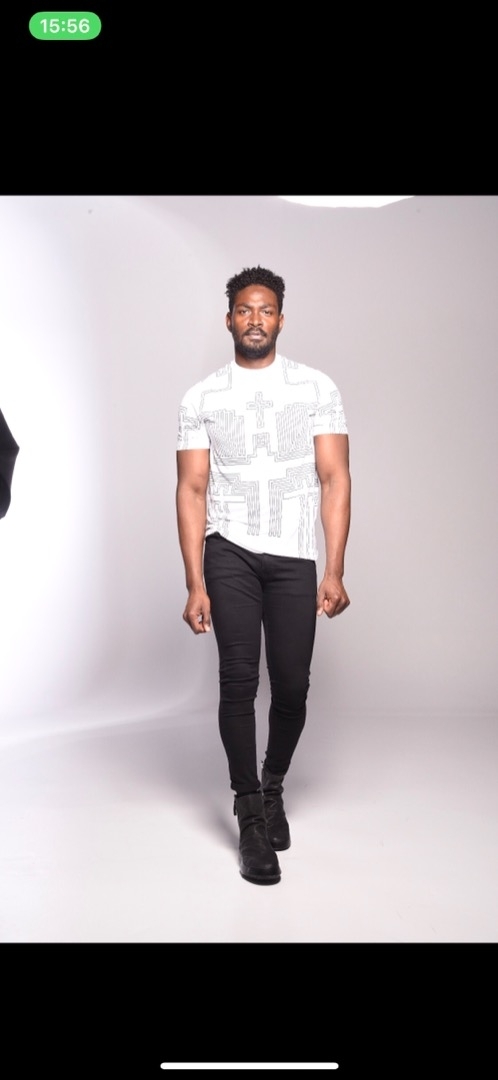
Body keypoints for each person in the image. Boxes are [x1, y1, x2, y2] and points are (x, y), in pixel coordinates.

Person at [176, 266, 351, 885]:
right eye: (245, 310)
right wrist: (195, 581)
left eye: (266, 310)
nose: (256, 320)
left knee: (293, 687)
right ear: (229, 319)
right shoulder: (201, 398)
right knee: (238, 680)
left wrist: (335, 568)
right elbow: (192, 488)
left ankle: (273, 783)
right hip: (228, 550)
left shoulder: (316, 387)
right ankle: (249, 812)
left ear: (280, 319)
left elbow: (335, 477)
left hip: (294, 553)